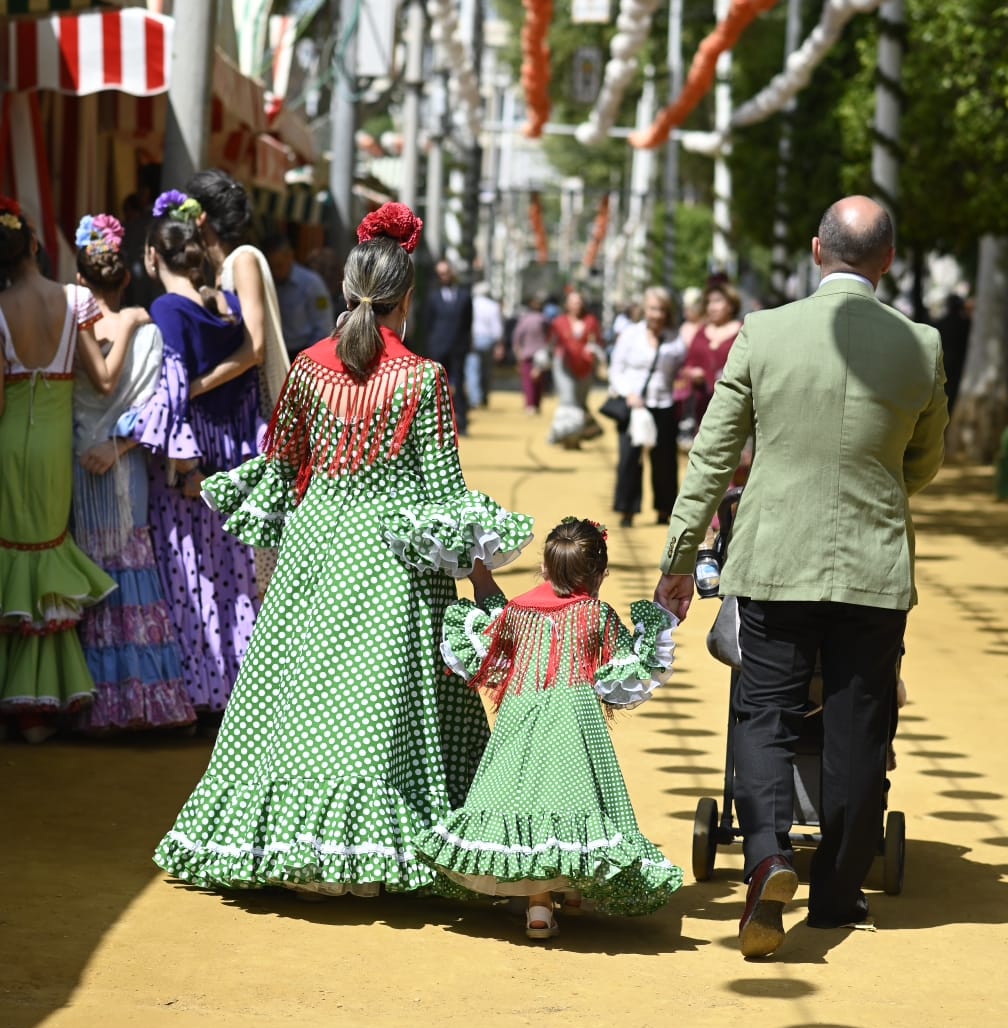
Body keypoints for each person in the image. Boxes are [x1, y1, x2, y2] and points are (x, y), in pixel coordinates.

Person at [152, 203, 533, 896]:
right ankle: (373, 854)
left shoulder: (307, 367)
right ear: (405, 299)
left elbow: (281, 467)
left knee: (300, 696)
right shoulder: (422, 379)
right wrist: (482, 580)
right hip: (393, 559)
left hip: (316, 549)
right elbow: (445, 495)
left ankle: (292, 844)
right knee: (380, 705)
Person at [654, 196, 948, 957]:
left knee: (764, 715)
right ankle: (837, 895)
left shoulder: (763, 332)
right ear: (887, 261)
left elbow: (713, 455)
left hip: (775, 558)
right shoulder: (921, 345)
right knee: (859, 726)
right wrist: (876, 492)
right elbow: (924, 461)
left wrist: (681, 558)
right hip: (873, 566)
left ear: (818, 251)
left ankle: (766, 859)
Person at [417, 516, 682, 940]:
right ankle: (572, 890)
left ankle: (539, 906)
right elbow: (626, 672)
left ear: (544, 568)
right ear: (600, 574)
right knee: (573, 799)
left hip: (520, 718)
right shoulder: (596, 614)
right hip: (576, 721)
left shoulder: (518, 612)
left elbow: (490, 628)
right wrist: (661, 619)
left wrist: (480, 573)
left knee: (526, 799)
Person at [0, 197, 132, 740]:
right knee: (45, 556)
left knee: (9, 555)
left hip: (10, 440)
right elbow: (104, 379)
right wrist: (131, 323)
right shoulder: (76, 299)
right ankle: (38, 708)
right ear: (34, 244)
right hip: (55, 446)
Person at [131, 190, 262, 716]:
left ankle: (197, 692)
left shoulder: (166, 310)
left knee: (188, 577)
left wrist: (182, 462)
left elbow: (172, 390)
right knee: (232, 580)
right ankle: (238, 694)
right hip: (230, 459)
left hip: (188, 466)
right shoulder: (227, 308)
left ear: (151, 256)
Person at [71, 212, 195, 733]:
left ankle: (90, 704)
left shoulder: (71, 331)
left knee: (85, 569)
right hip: (127, 467)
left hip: (78, 464)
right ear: (125, 279)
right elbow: (159, 408)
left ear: (80, 280)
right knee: (131, 571)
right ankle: (144, 702)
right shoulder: (147, 334)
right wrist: (120, 446)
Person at [188, 170, 289, 598]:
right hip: (247, 414)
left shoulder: (243, 259)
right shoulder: (222, 267)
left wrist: (195, 386)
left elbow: (256, 347)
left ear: (201, 218)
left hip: (264, 411)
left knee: (264, 558)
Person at [607, 286, 686, 528]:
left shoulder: (675, 339)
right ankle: (627, 510)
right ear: (644, 309)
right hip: (634, 404)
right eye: (652, 308)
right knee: (629, 458)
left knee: (664, 461)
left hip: (663, 403)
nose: (657, 314)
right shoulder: (631, 334)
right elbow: (616, 369)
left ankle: (665, 509)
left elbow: (681, 369)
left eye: (661, 309)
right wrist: (628, 393)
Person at [678, 282, 743, 443]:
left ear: (731, 304)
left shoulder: (742, 331)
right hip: (703, 408)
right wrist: (692, 374)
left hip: (733, 408)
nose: (712, 307)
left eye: (717, 301)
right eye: (709, 302)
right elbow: (687, 365)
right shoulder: (701, 332)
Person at [263, 231, 335, 360]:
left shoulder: (311, 284)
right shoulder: (268, 283)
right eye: (271, 268)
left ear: (289, 256)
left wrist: (310, 357)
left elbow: (324, 325)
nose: (275, 272)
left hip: (305, 352)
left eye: (279, 266)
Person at [423, 257, 473, 435]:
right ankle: (436, 424)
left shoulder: (464, 296)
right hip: (438, 348)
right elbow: (428, 323)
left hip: (458, 349)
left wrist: (466, 344)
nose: (444, 276)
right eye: (440, 274)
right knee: (437, 386)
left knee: (459, 385)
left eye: (446, 272)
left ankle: (461, 422)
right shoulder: (433, 298)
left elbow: (468, 322)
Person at [547, 289, 603, 448]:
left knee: (580, 402)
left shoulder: (590, 321)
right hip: (563, 364)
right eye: (573, 302)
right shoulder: (559, 322)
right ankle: (563, 434)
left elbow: (597, 342)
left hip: (585, 365)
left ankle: (576, 437)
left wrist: (595, 354)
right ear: (566, 304)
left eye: (579, 302)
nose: (576, 305)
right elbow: (551, 342)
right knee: (568, 400)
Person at [511, 294, 552, 414]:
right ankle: (537, 404)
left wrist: (517, 352)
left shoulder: (524, 320)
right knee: (540, 381)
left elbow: (517, 337)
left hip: (527, 353)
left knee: (528, 381)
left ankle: (530, 405)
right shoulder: (544, 319)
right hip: (541, 354)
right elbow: (550, 336)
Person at [467, 282, 504, 408]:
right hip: (488, 340)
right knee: (486, 370)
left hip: (473, 339)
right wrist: (499, 344)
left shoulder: (471, 304)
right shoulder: (493, 306)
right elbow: (497, 327)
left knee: (472, 370)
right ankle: (484, 395)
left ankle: (475, 398)